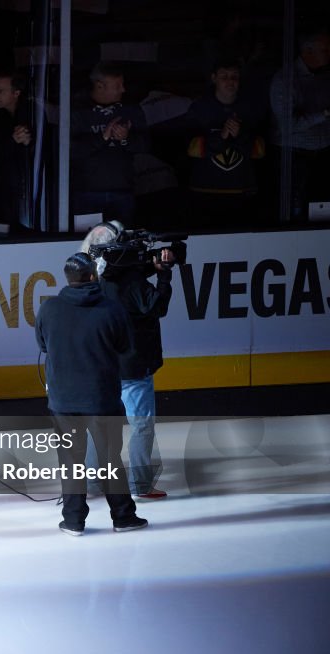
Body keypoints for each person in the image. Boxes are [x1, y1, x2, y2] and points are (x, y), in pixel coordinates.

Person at [35, 252, 147, 536]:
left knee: (70, 461)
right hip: (101, 398)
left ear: (68, 278)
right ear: (92, 276)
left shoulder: (49, 309)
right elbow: (125, 348)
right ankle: (123, 517)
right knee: (111, 459)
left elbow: (43, 344)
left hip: (63, 399)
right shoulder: (112, 309)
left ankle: (73, 520)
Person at [81, 222, 175, 499]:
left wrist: (148, 268)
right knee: (141, 425)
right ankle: (141, 486)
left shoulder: (96, 280)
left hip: (102, 366)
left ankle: (91, 482)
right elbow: (158, 306)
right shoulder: (134, 286)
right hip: (133, 368)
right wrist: (165, 275)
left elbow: (125, 278)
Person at [186, 59, 265, 228]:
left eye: (234, 76)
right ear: (214, 78)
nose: (230, 81)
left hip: (242, 192)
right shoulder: (199, 108)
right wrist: (221, 137)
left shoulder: (251, 107)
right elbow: (190, 149)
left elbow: (260, 151)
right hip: (204, 192)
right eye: (224, 77)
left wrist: (240, 135)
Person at [70, 62, 148, 224]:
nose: (123, 89)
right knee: (88, 244)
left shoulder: (130, 110)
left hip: (123, 191)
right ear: (99, 86)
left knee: (124, 244)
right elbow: (68, 151)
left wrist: (126, 139)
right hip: (86, 193)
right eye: (118, 85)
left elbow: (146, 145)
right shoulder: (76, 111)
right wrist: (101, 138)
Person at [269, 27, 330, 222]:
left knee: (321, 212)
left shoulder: (324, 77)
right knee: (296, 214)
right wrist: (324, 115)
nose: (329, 54)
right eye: (325, 50)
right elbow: (288, 125)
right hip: (294, 158)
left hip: (322, 156)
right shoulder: (285, 80)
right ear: (307, 51)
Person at [0, 71, 34, 230]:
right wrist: (13, 141)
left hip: (29, 189)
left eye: (1, 91)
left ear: (16, 93)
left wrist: (29, 143)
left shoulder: (33, 114)